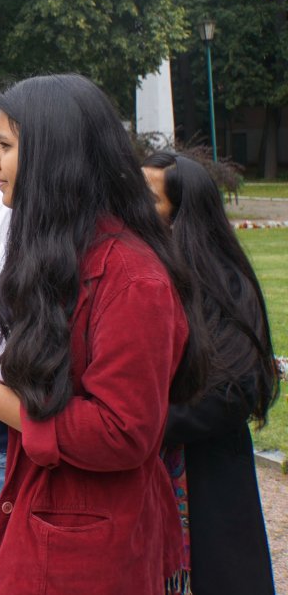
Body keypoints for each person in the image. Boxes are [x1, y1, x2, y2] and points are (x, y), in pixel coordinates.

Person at [0, 74, 209, 595]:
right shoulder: (53, 248)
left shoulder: (132, 279)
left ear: (55, 157)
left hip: (85, 546)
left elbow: (123, 433)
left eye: (5, 146)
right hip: (28, 503)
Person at [142, 151, 277, 595]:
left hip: (205, 476)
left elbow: (234, 389)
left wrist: (137, 421)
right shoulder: (137, 268)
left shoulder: (222, 283)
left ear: (183, 215)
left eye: (149, 199)